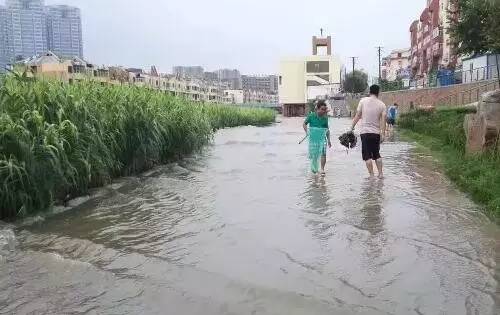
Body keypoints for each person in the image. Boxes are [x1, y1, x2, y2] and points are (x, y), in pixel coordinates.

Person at [350, 85, 387, 178]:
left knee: (367, 155)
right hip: (376, 133)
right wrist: (382, 134)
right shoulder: (382, 105)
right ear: (378, 92)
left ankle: (371, 176)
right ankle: (381, 174)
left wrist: (351, 127)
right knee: (377, 154)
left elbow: (358, 115)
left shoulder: (363, 101)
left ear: (370, 92)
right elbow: (383, 120)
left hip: (365, 133)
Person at [303, 100, 332, 175]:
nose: (323, 111)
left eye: (324, 109)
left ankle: (322, 169)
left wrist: (329, 140)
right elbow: (304, 124)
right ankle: (314, 169)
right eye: (322, 109)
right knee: (314, 154)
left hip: (322, 139)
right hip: (313, 139)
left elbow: (327, 130)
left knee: (323, 153)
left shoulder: (325, 118)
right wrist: (307, 132)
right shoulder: (311, 116)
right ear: (317, 109)